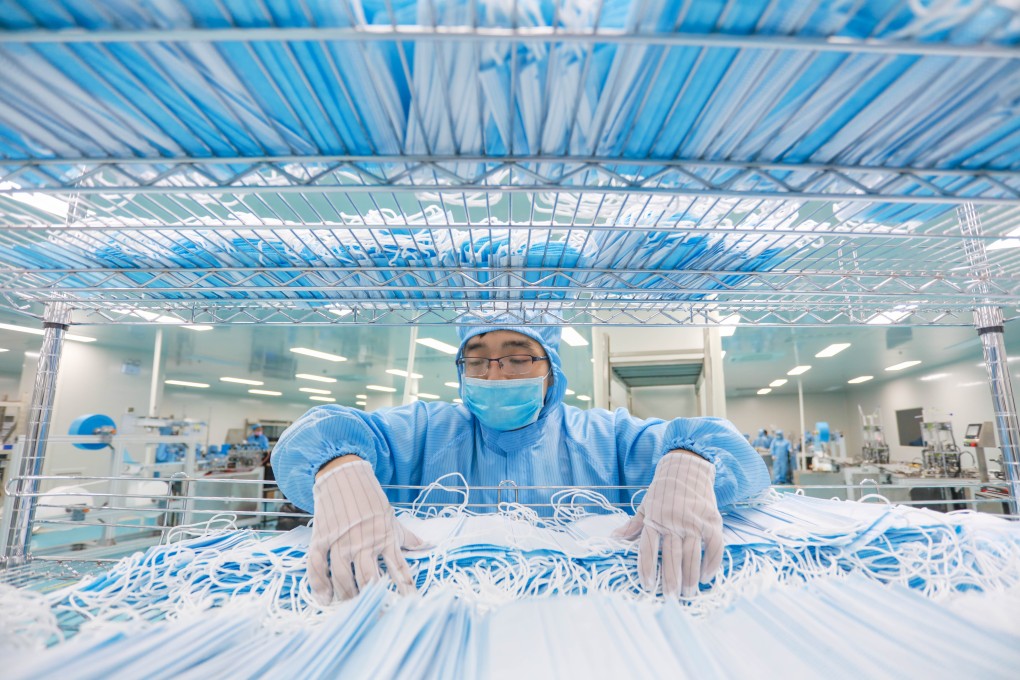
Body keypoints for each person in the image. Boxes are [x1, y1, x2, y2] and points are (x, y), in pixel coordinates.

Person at [272, 313, 770, 604]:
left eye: (517, 357)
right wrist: (339, 467)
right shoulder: (425, 431)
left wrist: (690, 459)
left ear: (551, 368)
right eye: (477, 359)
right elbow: (313, 436)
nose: (495, 374)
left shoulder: (607, 437)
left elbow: (733, 454)